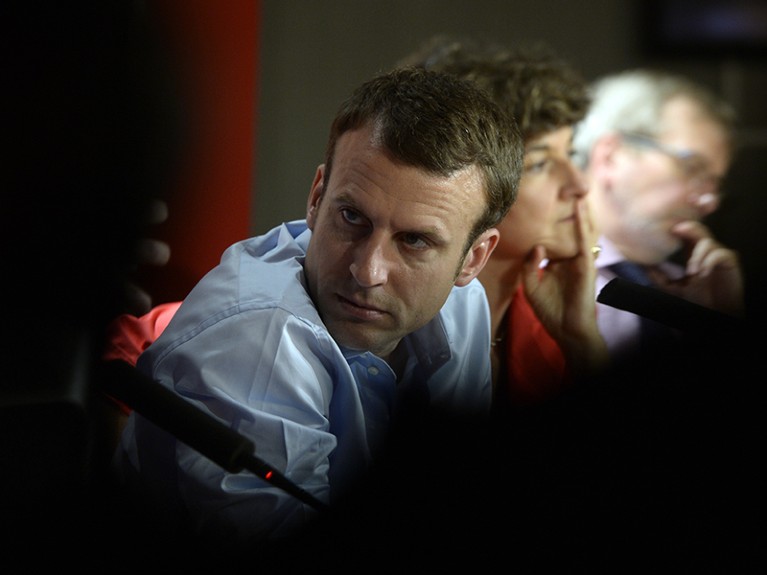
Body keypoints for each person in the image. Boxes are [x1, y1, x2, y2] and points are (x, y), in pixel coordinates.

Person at [112, 66, 524, 547]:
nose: (368, 271)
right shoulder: (258, 335)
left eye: (414, 242)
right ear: (316, 198)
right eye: (352, 217)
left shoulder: (461, 304)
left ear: (472, 258)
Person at [399, 36, 609, 407]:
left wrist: (583, 344)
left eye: (571, 153)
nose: (579, 185)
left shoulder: (548, 321)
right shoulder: (394, 326)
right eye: (541, 164)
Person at [572, 69, 745, 363]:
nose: (708, 202)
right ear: (611, 156)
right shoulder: (536, 274)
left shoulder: (694, 290)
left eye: (716, 183)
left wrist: (720, 327)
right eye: (693, 169)